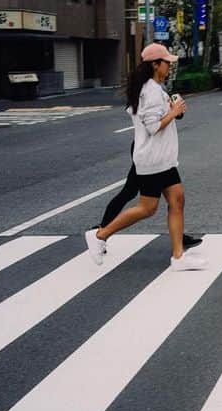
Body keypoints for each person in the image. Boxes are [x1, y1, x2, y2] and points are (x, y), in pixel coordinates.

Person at [84, 43, 207, 271]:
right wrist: (173, 111)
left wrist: (171, 109)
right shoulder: (149, 91)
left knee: (177, 199)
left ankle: (179, 256)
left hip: (162, 160)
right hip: (152, 160)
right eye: (166, 63)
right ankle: (100, 235)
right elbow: (152, 127)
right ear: (155, 65)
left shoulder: (154, 88)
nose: (170, 66)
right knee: (147, 208)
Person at [94, 141, 203, 251]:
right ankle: (100, 232)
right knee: (134, 196)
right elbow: (153, 127)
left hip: (158, 151)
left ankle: (179, 239)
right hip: (148, 152)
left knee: (175, 199)